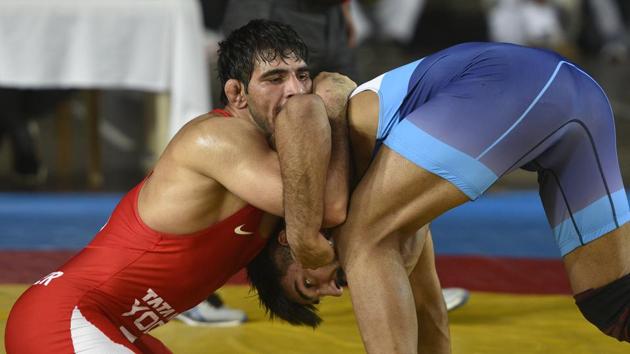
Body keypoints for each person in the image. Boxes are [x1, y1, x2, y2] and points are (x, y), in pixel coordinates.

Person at [249, 42, 630, 353]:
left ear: (283, 243)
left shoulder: (314, 170)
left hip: (512, 82)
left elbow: (329, 86)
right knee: (613, 305)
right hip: (579, 100)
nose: (333, 289)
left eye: (309, 286)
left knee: (363, 238)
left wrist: (303, 232)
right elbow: (429, 309)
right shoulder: (392, 207)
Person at [4, 20, 354, 353]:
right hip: (63, 318)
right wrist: (332, 107)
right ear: (237, 93)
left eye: (303, 76)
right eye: (275, 78)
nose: (295, 91)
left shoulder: (272, 163)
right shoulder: (219, 140)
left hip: (115, 327)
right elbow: (331, 207)